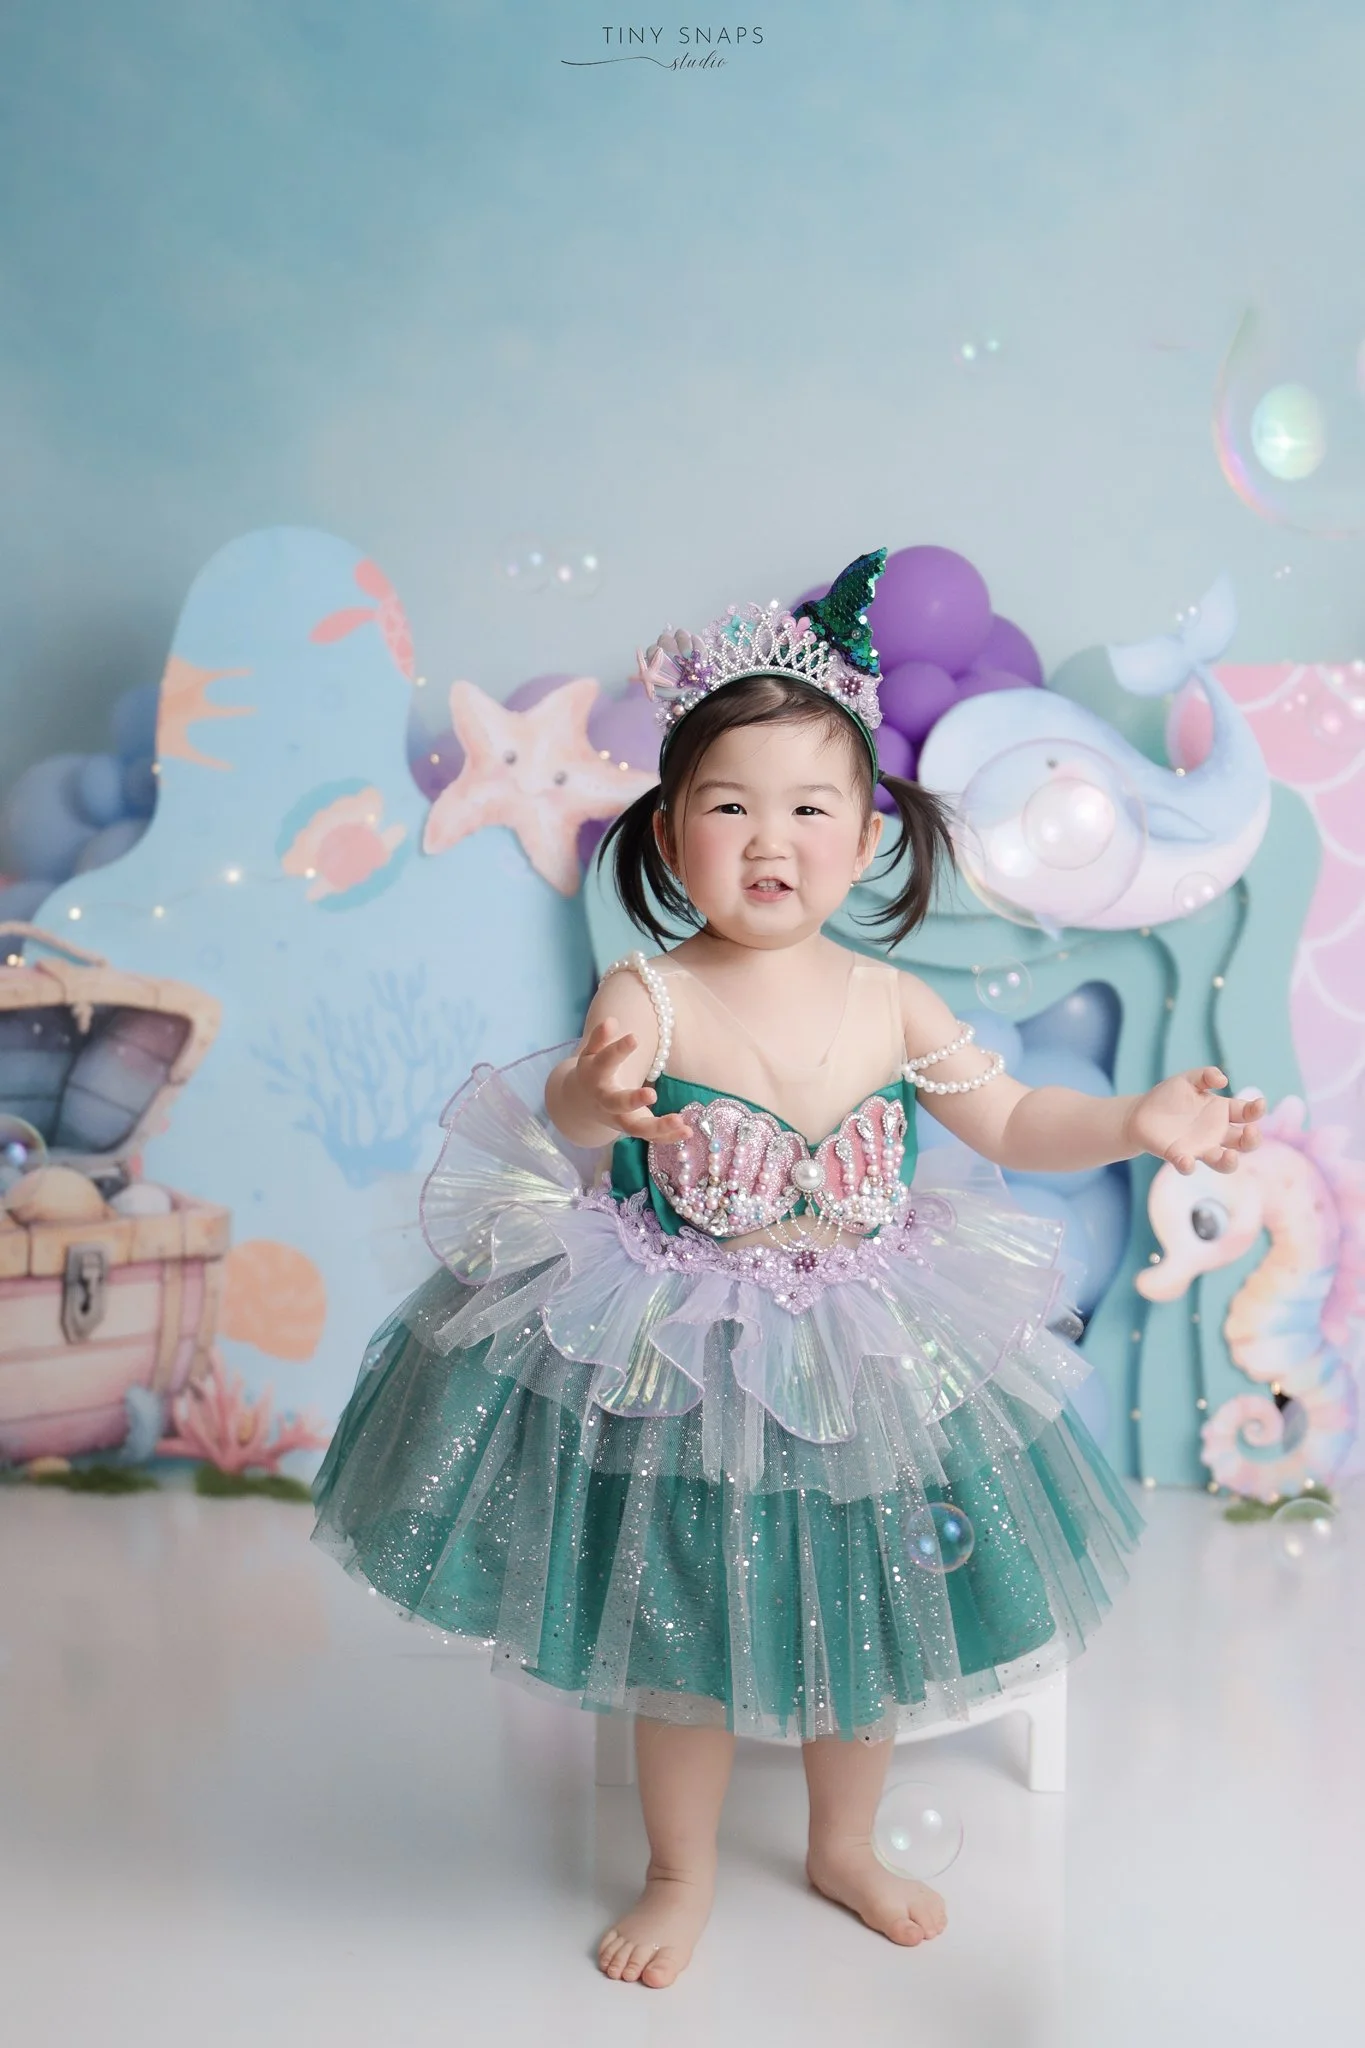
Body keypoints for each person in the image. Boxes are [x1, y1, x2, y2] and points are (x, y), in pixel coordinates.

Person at [311, 549, 1265, 1990]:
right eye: (730, 807)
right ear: (673, 831)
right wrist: (597, 1098)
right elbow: (575, 1112)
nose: (773, 838)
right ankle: (681, 1868)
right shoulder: (653, 992)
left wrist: (1137, 1119)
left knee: (873, 1600)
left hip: (870, 1334)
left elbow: (1006, 1115)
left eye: (811, 806)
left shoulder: (892, 999)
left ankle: (844, 1843)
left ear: (868, 830)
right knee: (680, 1613)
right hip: (682, 1338)